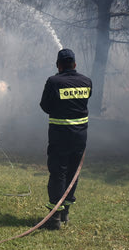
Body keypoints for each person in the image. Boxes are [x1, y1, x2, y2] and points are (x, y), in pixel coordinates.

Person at [39, 48, 92, 229]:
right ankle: (65, 213)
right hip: (80, 137)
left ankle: (54, 218)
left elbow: (45, 106)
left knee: (58, 172)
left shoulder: (53, 81)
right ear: (75, 64)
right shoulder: (86, 81)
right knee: (73, 172)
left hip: (60, 136)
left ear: (58, 65)